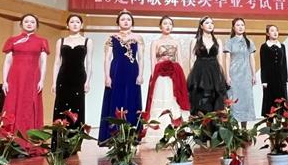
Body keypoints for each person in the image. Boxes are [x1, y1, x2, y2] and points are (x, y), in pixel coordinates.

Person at [2, 13, 49, 150]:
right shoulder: (12, 40)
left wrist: (42, 80)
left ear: (37, 25)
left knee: (29, 107)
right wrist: (4, 80)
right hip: (15, 78)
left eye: (32, 22)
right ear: (21, 24)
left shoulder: (42, 41)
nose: (29, 24)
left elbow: (43, 62)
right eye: (26, 21)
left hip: (32, 78)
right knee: (12, 106)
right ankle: (11, 143)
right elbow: (7, 61)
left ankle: (29, 143)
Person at [98, 10, 144, 145]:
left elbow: (141, 58)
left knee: (132, 100)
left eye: (128, 19)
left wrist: (141, 74)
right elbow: (107, 59)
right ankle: (114, 136)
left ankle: (132, 136)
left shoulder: (138, 38)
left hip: (132, 72)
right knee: (116, 100)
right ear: (118, 22)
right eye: (123, 19)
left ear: (132, 23)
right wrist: (107, 76)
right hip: (116, 72)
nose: (125, 21)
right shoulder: (112, 38)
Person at [144, 16, 189, 142]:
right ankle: (158, 133)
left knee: (173, 98)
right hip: (160, 75)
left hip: (174, 74)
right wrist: (153, 77)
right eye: (165, 23)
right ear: (160, 26)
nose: (168, 26)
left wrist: (182, 77)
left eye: (170, 24)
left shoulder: (176, 42)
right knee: (161, 98)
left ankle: (175, 131)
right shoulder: (155, 42)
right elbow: (153, 60)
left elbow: (179, 60)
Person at [52, 14, 92, 140]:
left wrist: (88, 81)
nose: (75, 24)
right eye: (72, 22)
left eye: (77, 22)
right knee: (61, 108)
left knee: (77, 108)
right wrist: (54, 82)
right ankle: (60, 141)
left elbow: (89, 63)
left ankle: (74, 142)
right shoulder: (61, 41)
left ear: (81, 25)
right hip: (63, 78)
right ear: (67, 25)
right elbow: (57, 62)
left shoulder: (87, 41)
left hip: (79, 78)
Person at [187, 16, 227, 115]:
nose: (210, 25)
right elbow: (192, 60)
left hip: (214, 72)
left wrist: (222, 77)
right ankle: (202, 121)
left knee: (215, 97)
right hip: (200, 72)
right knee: (201, 97)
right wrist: (193, 78)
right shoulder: (195, 41)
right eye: (207, 23)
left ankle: (214, 122)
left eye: (212, 23)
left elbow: (220, 60)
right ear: (201, 26)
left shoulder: (218, 41)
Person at [224, 18, 257, 128]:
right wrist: (227, 75)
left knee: (245, 101)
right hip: (234, 75)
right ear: (233, 27)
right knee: (234, 101)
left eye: (242, 25)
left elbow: (252, 59)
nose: (240, 27)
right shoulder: (229, 42)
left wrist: (254, 75)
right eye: (238, 25)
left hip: (246, 75)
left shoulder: (249, 42)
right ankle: (234, 129)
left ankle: (244, 128)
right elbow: (227, 59)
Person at [260, 24, 288, 116]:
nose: (275, 32)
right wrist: (264, 80)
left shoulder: (282, 46)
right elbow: (263, 64)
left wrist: (285, 78)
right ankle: (271, 122)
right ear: (267, 34)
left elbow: (284, 63)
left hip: (280, 77)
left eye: (276, 30)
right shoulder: (264, 46)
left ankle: (282, 121)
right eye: (272, 31)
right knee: (270, 100)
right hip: (270, 78)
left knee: (282, 100)